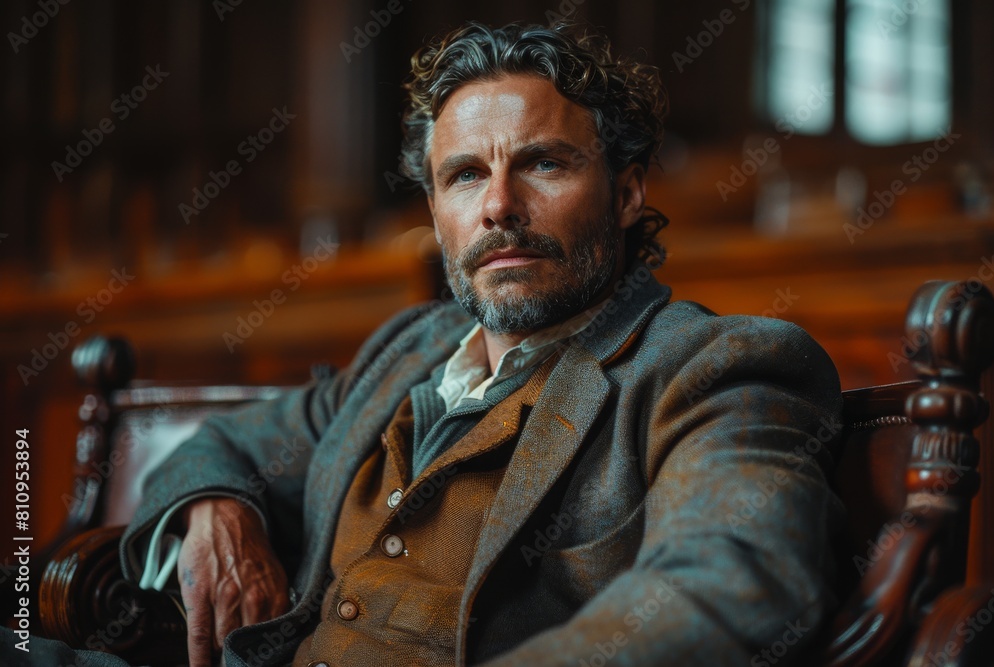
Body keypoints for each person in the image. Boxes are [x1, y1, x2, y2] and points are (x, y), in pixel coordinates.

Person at [3, 20, 843, 667]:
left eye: (544, 164)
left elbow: (733, 589)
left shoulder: (713, 368)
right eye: (466, 173)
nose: (499, 205)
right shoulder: (408, 347)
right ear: (436, 207)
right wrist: (215, 511)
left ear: (626, 192)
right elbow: (226, 442)